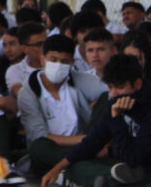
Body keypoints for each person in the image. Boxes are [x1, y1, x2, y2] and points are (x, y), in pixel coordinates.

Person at [41, 53, 151, 187]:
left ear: (137, 84)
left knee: (117, 178)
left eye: (119, 87)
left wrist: (117, 117)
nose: (113, 94)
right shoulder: (115, 101)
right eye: (110, 87)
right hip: (129, 168)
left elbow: (132, 158)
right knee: (77, 164)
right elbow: (94, 140)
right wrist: (57, 168)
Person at [16, 34, 93, 177]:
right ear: (42, 59)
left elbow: (109, 90)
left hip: (81, 145)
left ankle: (83, 166)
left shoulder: (79, 80)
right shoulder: (28, 92)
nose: (58, 65)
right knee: (39, 147)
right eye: (53, 60)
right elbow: (40, 136)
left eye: (64, 61)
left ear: (72, 63)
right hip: (50, 152)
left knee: (107, 99)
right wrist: (87, 140)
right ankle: (92, 163)